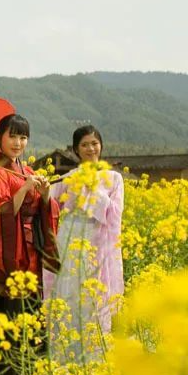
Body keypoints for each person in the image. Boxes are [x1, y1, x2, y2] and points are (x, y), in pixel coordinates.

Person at [0, 114, 59, 375]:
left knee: (30, 313)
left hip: (31, 253)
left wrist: (45, 195)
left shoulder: (28, 171)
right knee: (9, 317)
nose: (18, 142)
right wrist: (23, 190)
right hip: (10, 256)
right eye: (12, 136)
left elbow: (48, 211)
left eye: (23, 137)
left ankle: (32, 372)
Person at [43, 125, 124, 361]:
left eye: (94, 143)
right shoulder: (69, 177)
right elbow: (50, 203)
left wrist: (93, 190)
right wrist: (43, 189)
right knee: (69, 296)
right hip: (69, 242)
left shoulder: (114, 178)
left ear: (101, 145)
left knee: (95, 299)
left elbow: (115, 214)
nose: (90, 148)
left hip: (98, 244)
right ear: (76, 150)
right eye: (85, 145)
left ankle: (95, 361)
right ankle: (67, 358)